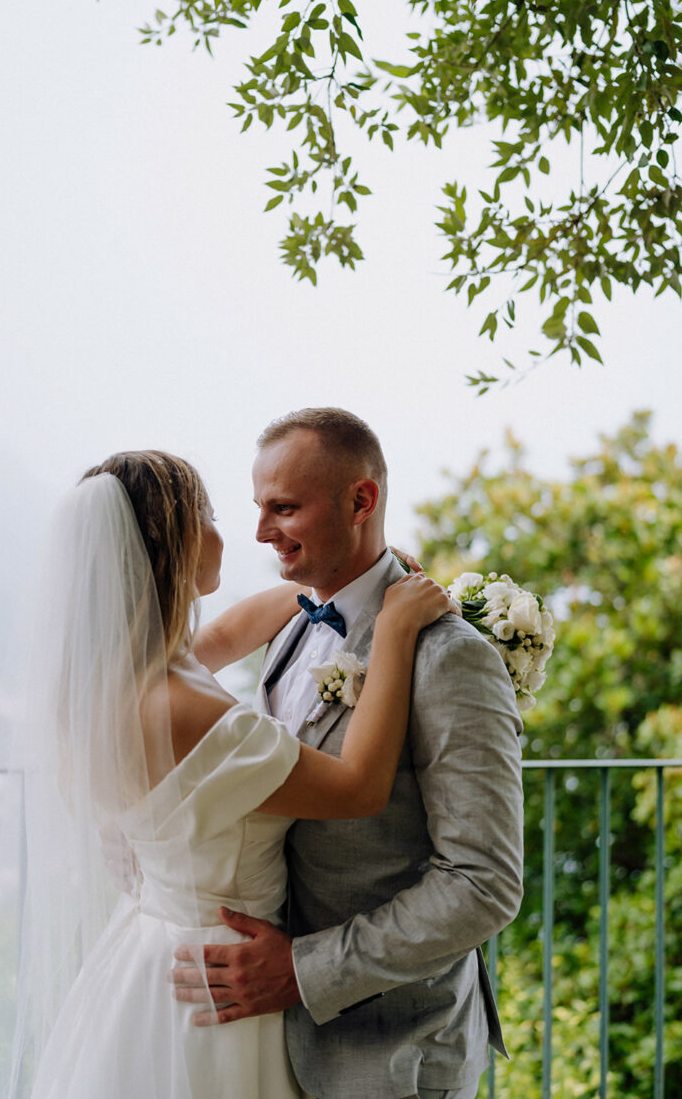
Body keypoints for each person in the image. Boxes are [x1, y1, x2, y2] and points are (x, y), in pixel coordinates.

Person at [0, 449, 458, 1099]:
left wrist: (353, 580)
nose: (233, 531)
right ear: (172, 540)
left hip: (152, 947)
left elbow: (229, 631)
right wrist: (394, 627)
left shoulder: (119, 679)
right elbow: (357, 788)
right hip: (218, 982)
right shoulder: (180, 706)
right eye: (210, 513)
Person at [169, 409, 525, 1099]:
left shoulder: (449, 659)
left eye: (285, 507)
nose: (262, 531)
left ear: (360, 500)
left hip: (392, 1051)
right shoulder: (295, 622)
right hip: (269, 1039)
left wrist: (304, 970)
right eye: (259, 506)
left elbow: (484, 882)